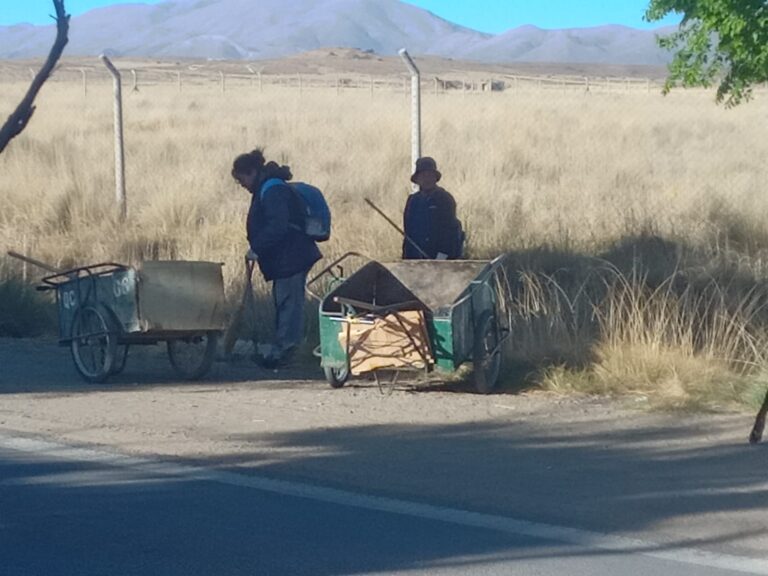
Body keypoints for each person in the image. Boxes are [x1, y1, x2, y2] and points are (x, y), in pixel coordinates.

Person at [232, 149, 322, 368]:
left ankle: (285, 353)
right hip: (287, 257)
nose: (242, 185)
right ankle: (282, 351)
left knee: (288, 305)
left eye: (242, 180)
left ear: (252, 171)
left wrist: (257, 247)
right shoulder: (269, 187)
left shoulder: (272, 190)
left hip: (291, 257)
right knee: (286, 303)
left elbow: (278, 226)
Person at [402, 156, 463, 260]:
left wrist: (442, 257)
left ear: (435, 178)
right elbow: (409, 233)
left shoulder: (445, 199)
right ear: (417, 179)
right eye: (423, 175)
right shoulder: (412, 201)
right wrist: (407, 259)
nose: (427, 179)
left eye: (430, 175)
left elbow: (450, 231)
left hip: (441, 258)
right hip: (415, 259)